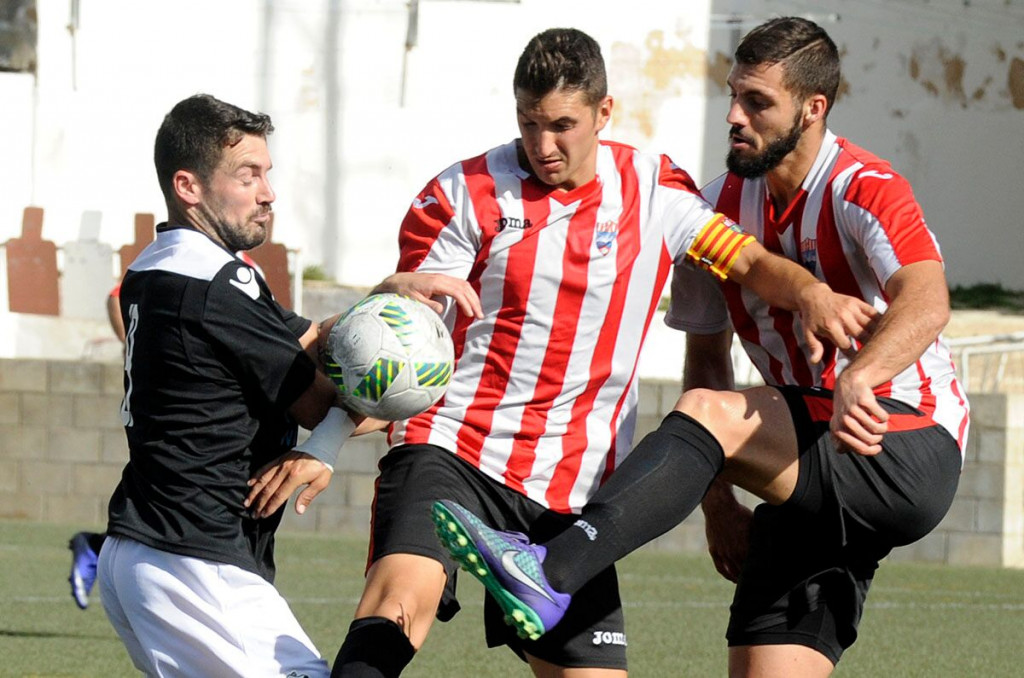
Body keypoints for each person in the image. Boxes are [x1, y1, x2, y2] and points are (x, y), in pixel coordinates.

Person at [252, 27, 873, 678]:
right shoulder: (462, 194)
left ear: (605, 114)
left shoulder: (656, 189)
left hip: (571, 503)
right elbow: (404, 346)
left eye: (562, 125)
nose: (542, 145)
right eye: (528, 123)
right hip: (453, 451)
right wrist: (325, 440)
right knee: (399, 609)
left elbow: (744, 260)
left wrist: (808, 294)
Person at [433, 17, 970, 678]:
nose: (735, 117)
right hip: (803, 465)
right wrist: (718, 504)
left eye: (758, 103)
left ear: (813, 109)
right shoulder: (711, 209)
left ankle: (552, 569)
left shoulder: (863, 187)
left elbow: (927, 299)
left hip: (903, 441)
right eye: (733, 96)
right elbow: (708, 358)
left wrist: (863, 374)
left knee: (710, 411)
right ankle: (547, 574)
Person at [96, 93, 352, 677]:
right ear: (188, 187)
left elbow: (310, 335)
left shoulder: (155, 265)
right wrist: (328, 443)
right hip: (195, 561)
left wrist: (385, 303)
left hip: (148, 549)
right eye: (248, 174)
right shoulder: (219, 281)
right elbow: (330, 401)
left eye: (267, 173)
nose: (268, 192)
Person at [67, 255, 266, 610]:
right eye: (249, 193)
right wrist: (132, 346)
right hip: (190, 412)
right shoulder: (189, 260)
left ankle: (98, 548)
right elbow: (117, 296)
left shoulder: (240, 267)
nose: (265, 199)